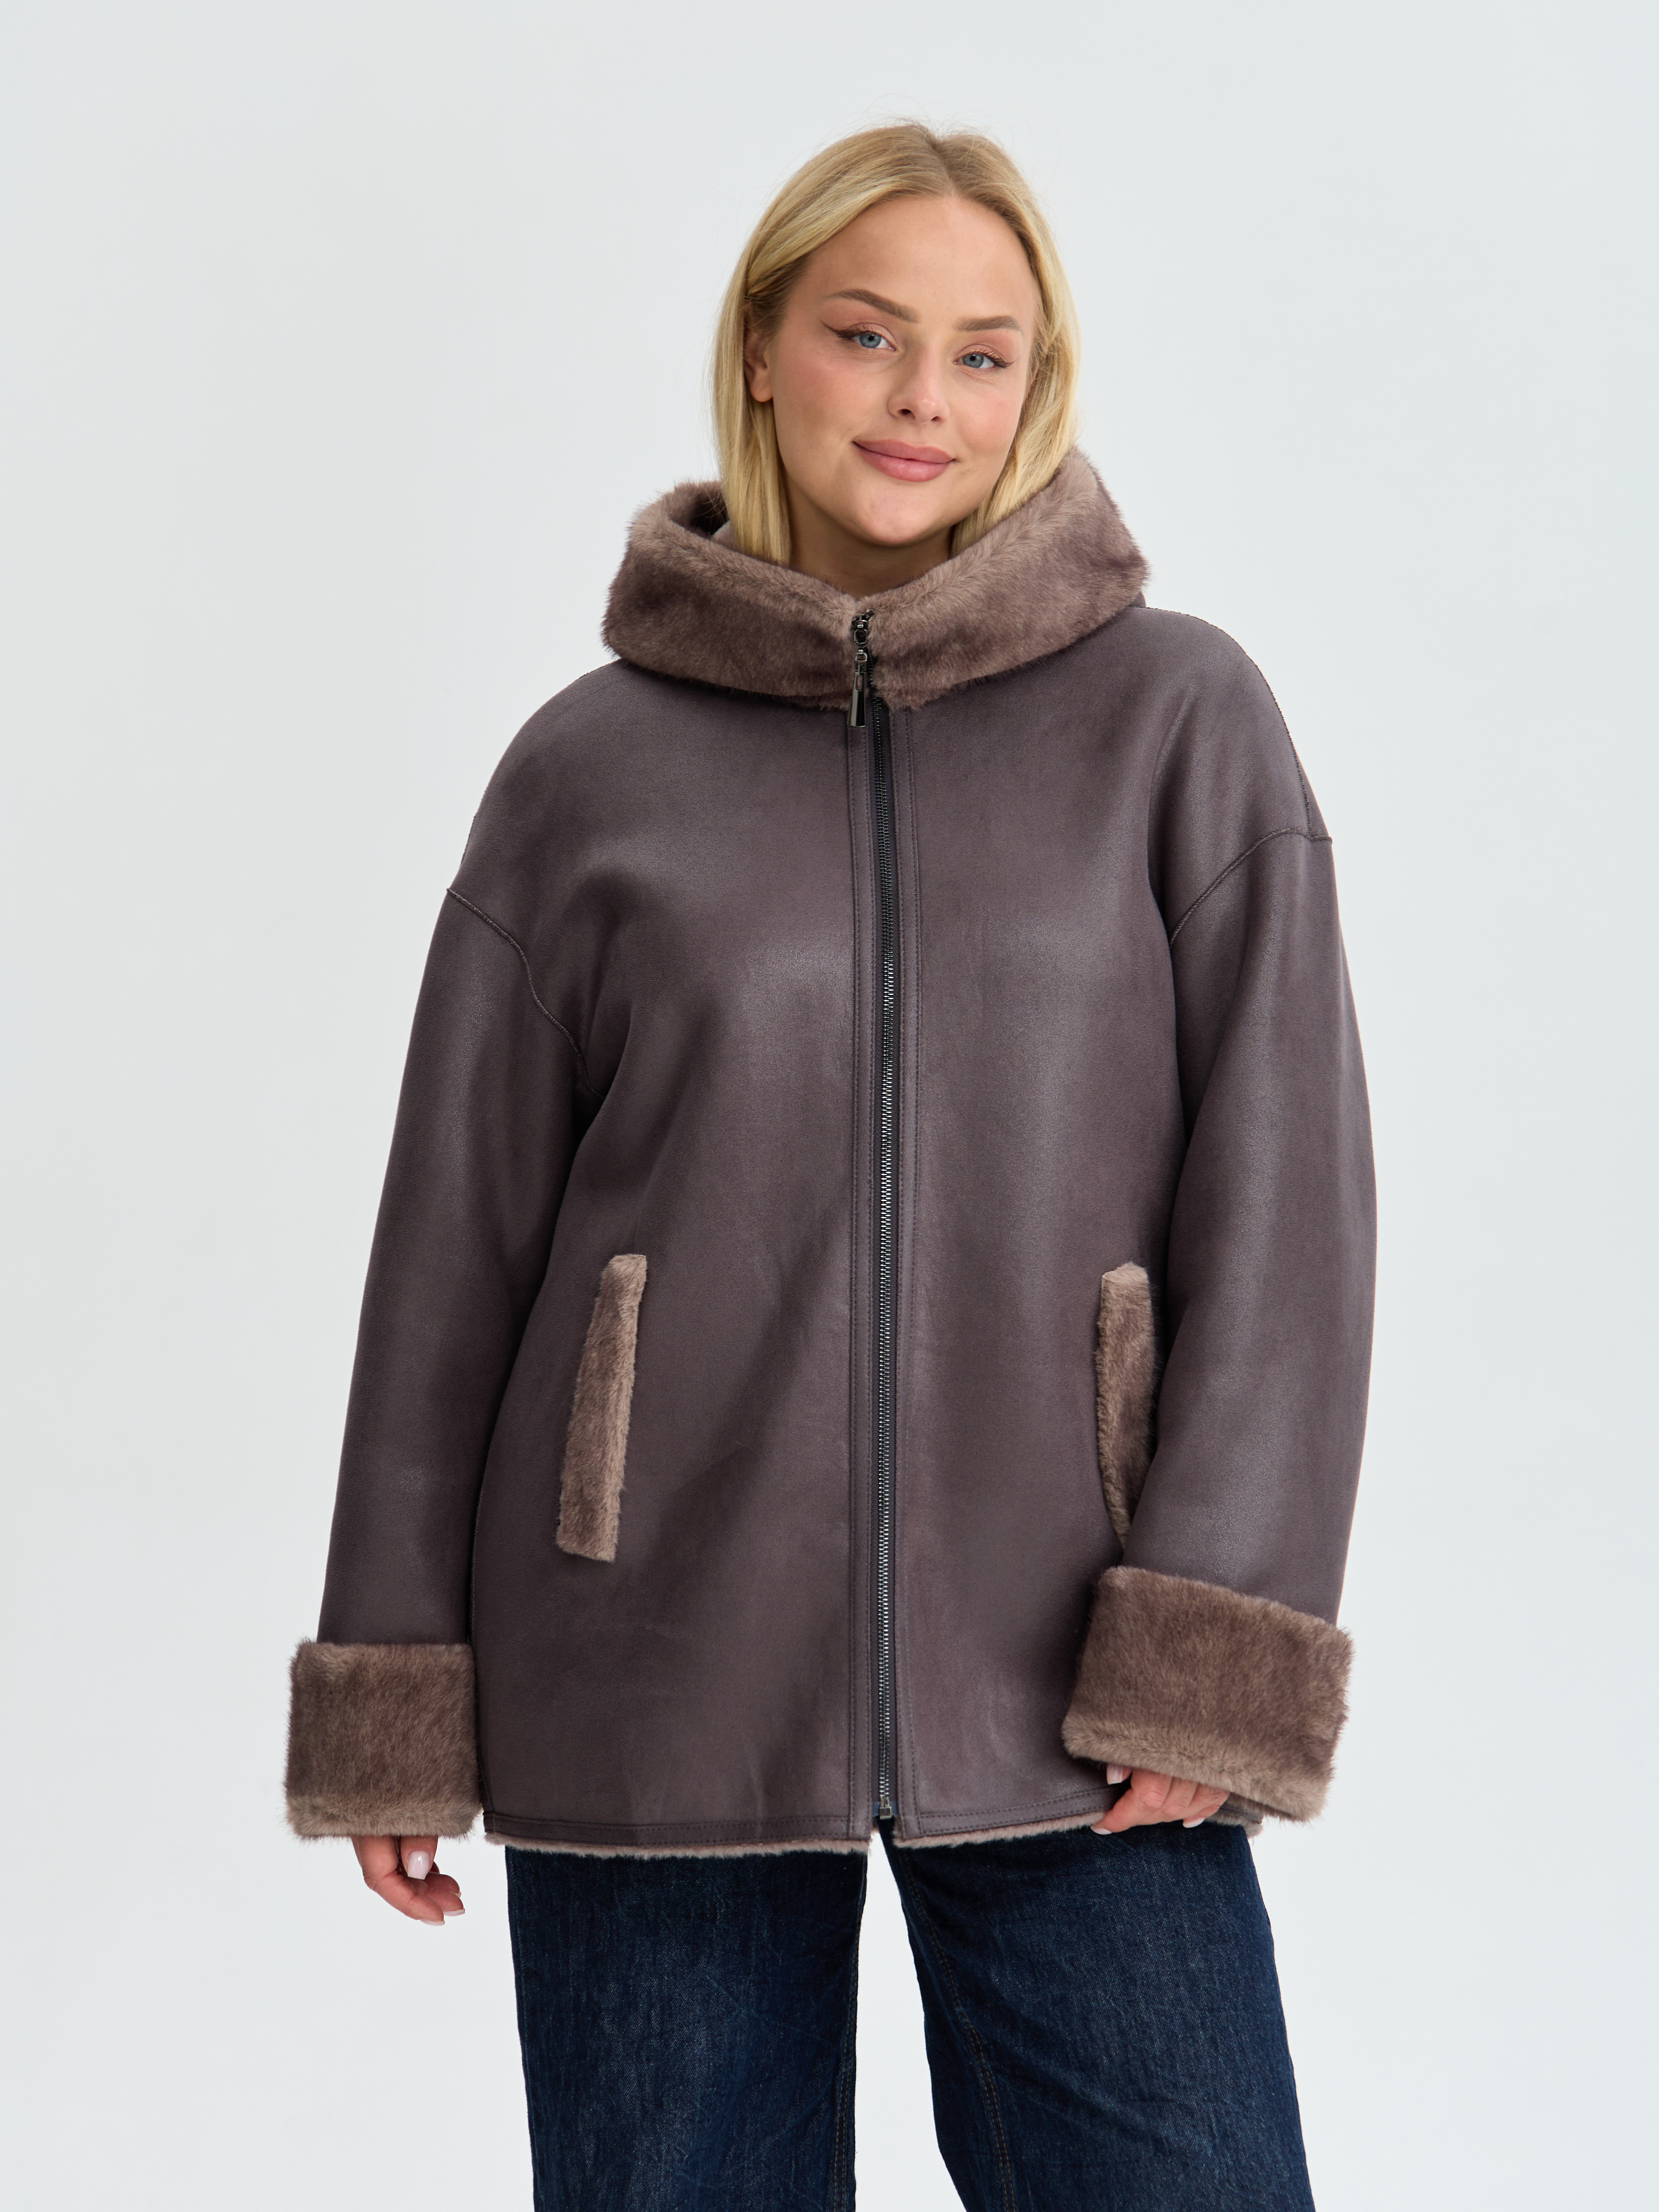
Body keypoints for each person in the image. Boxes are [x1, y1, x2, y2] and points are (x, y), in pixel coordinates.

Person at [285, 122, 1374, 2210]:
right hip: (647, 1665)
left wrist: (1214, 1631)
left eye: (983, 352)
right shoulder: (587, 769)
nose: (921, 398)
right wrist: (394, 1675)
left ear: (1036, 382)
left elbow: (1290, 1207)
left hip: (1076, 1684)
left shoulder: (1179, 721)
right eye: (868, 335)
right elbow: (455, 1249)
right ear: (764, 352)